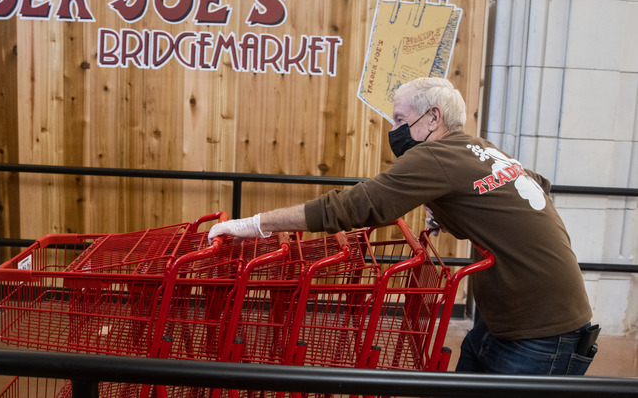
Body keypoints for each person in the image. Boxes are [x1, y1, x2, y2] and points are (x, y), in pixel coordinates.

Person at [208, 77, 597, 375]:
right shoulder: (480, 149)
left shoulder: (435, 155)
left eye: (400, 119)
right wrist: (453, 213)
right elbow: (537, 184)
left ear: (433, 117)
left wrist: (255, 224)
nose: (393, 129)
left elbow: (354, 206)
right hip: (520, 319)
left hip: (540, 334)